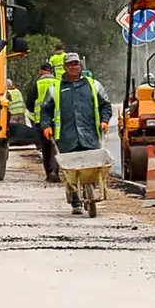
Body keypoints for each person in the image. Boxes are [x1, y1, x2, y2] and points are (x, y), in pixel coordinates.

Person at [40, 52, 113, 214]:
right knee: (71, 172)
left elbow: (105, 106)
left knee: (90, 168)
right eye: (70, 64)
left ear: (80, 65)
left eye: (76, 64)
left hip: (89, 135)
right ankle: (75, 201)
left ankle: (90, 190)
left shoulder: (94, 85)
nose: (74, 67)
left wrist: (105, 120)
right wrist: (46, 126)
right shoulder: (55, 88)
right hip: (67, 137)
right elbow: (45, 111)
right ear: (65, 67)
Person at [24, 63, 59, 182]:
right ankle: (56, 171)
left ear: (42, 71)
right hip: (58, 121)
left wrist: (33, 113)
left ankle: (49, 173)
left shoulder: (37, 84)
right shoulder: (58, 83)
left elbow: (29, 102)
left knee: (46, 148)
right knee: (57, 148)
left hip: (41, 122)